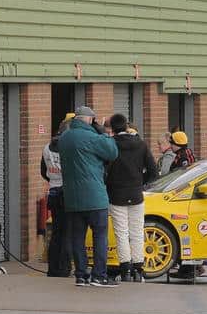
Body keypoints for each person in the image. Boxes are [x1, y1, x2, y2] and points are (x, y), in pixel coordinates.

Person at [58, 105, 119, 287]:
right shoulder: (92, 137)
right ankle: (99, 275)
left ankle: (81, 275)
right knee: (100, 236)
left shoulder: (65, 138)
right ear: (90, 119)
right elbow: (112, 152)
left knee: (77, 238)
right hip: (94, 197)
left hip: (72, 198)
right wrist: (101, 131)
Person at [106, 114, 158, 283]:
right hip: (136, 195)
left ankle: (125, 270)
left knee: (121, 233)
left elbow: (104, 170)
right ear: (126, 125)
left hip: (116, 195)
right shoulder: (141, 145)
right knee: (137, 232)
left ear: (113, 129)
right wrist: (139, 182)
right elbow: (153, 172)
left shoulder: (111, 144)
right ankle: (138, 269)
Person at [40, 114, 74, 277]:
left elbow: (43, 172)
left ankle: (53, 268)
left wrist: (53, 178)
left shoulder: (47, 147)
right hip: (67, 193)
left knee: (56, 232)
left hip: (53, 193)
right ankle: (64, 267)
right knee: (67, 232)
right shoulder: (69, 147)